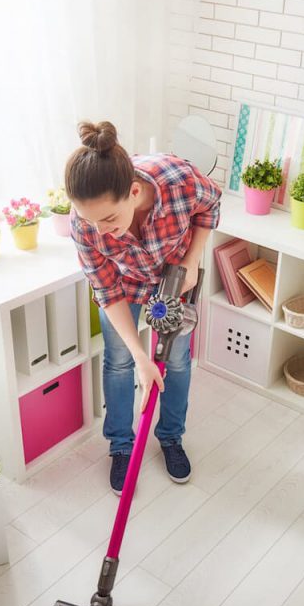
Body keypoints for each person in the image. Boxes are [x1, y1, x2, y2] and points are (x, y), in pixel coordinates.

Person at [65, 120, 221, 494]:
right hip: (124, 286)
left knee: (177, 362)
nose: (99, 232)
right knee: (119, 360)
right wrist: (140, 355)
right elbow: (106, 290)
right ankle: (121, 447)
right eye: (89, 221)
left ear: (134, 192)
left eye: (108, 219)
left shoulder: (179, 180)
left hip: (173, 279)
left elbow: (211, 204)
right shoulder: (85, 225)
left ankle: (170, 437)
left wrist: (193, 259)